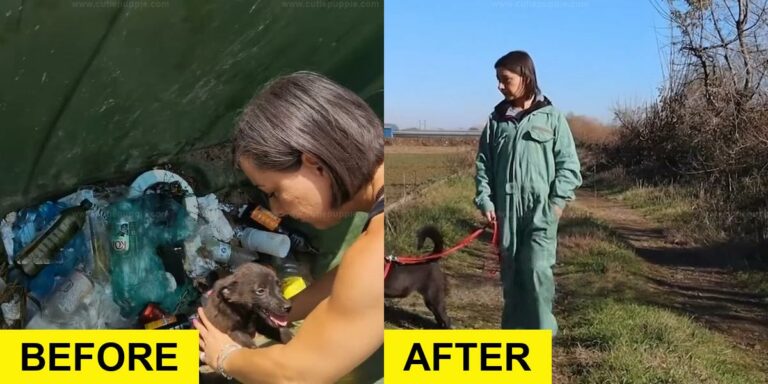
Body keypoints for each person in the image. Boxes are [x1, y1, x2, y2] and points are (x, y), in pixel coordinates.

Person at [194, 71, 384, 383]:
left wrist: (225, 355)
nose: (276, 210)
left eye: (273, 192)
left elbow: (295, 375)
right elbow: (345, 282)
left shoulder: (374, 249)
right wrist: (278, 309)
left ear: (314, 163)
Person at [474, 51, 582, 336]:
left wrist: (555, 207)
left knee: (536, 273)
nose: (499, 86)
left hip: (540, 214)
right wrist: (485, 200)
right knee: (512, 280)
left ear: (525, 77)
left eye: (505, 79)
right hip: (505, 214)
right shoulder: (496, 121)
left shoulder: (552, 118)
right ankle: (514, 345)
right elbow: (483, 165)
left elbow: (569, 167)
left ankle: (541, 342)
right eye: (497, 80)